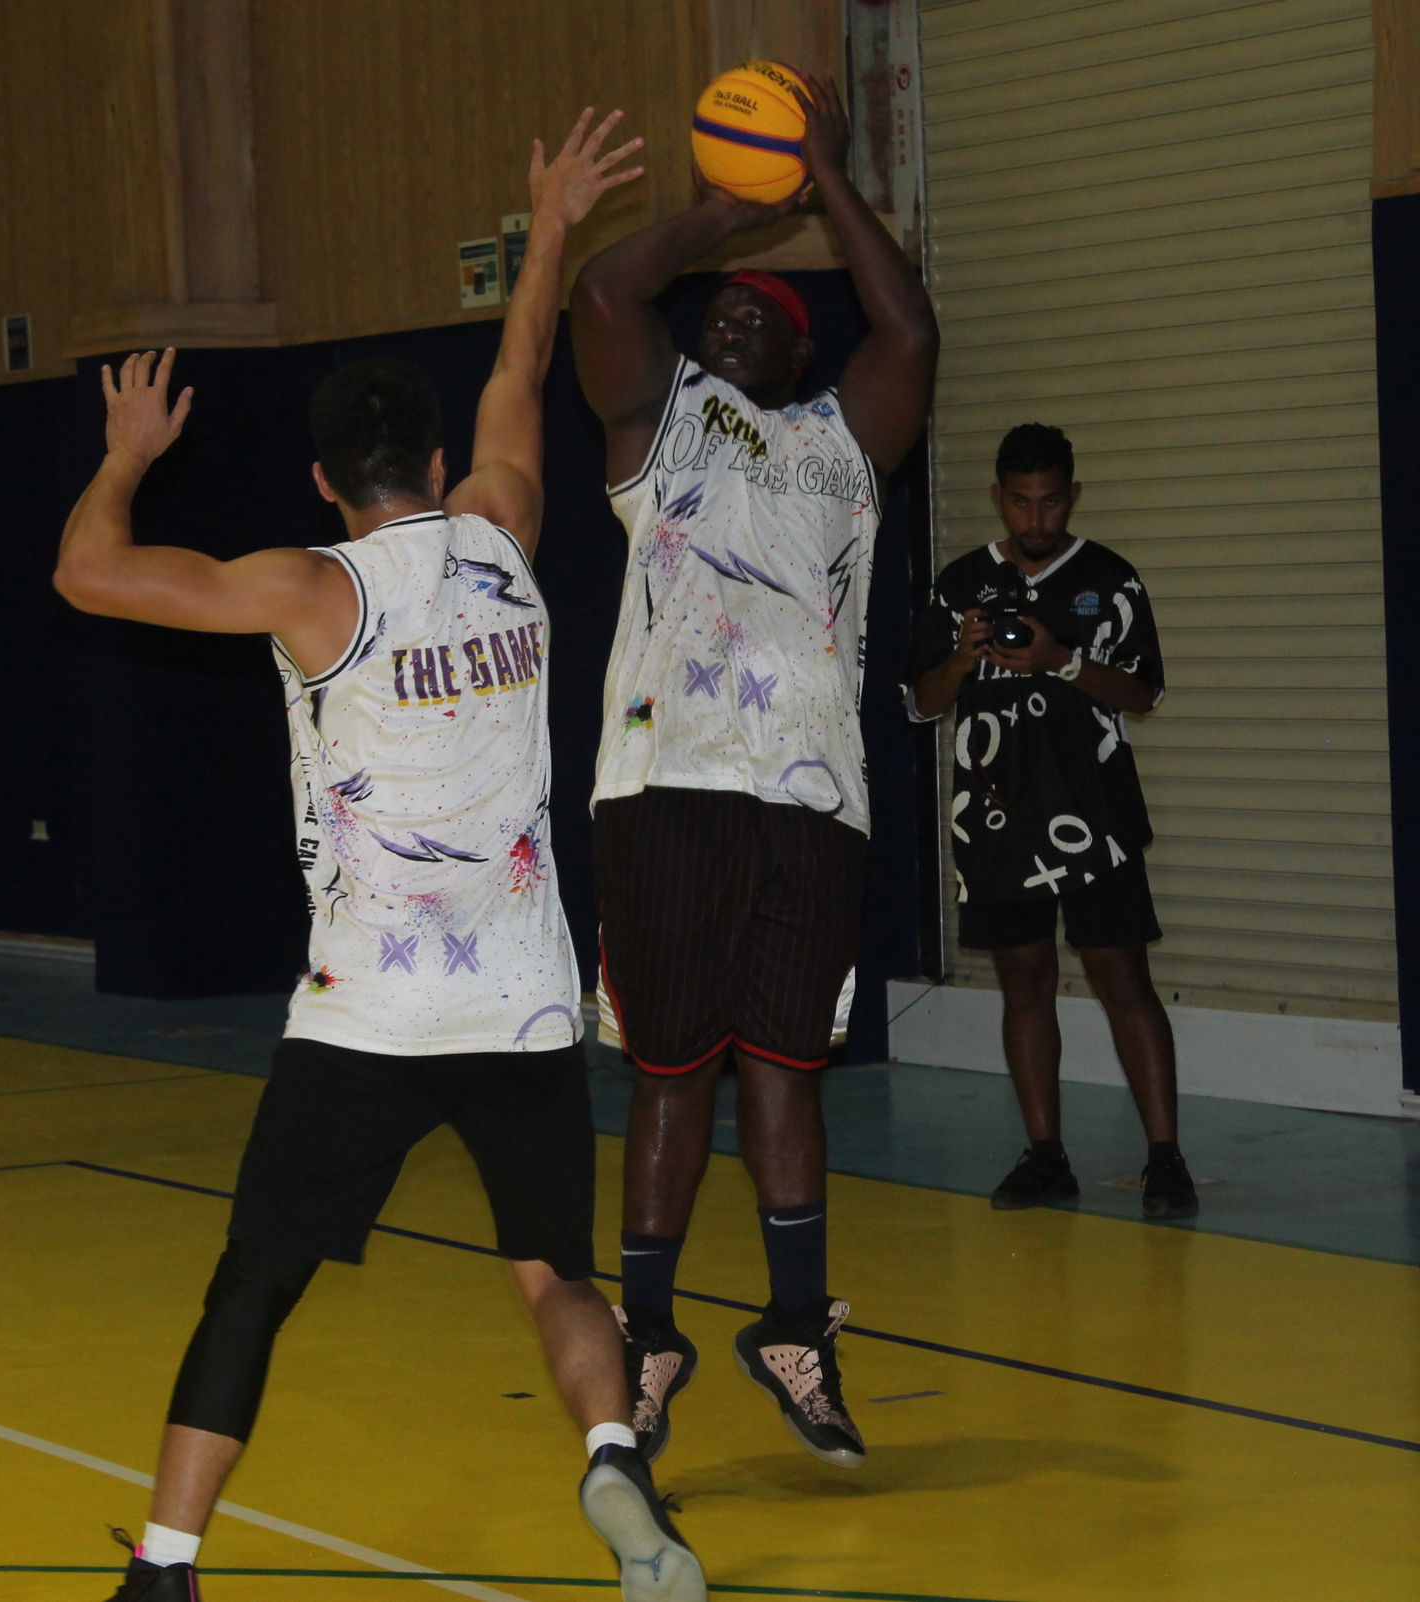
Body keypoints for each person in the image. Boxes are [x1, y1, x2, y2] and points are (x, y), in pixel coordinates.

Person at [56, 112, 708, 1602]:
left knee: (254, 1283)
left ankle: (165, 1567)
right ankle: (612, 1449)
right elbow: (521, 369)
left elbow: (88, 571)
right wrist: (544, 224)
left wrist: (126, 456)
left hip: (369, 1011)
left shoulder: (309, 589)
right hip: (525, 998)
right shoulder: (509, 530)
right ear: (427, 459)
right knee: (556, 1271)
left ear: (321, 480)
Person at [568, 67, 938, 1469]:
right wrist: (727, 207)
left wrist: (826, 178)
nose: (727, 319)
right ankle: (648, 1337)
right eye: (715, 314)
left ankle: (794, 1325)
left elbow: (908, 324)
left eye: (755, 318)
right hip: (663, 791)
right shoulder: (656, 430)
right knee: (673, 1071)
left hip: (813, 794)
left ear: (796, 356)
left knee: (786, 1066)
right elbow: (607, 296)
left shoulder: (848, 443)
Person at [905, 422, 1197, 1221]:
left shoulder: (1113, 579)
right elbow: (921, 703)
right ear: (999, 499)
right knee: (1024, 985)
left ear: (1073, 495)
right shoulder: (958, 584)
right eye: (1021, 503)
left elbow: (1145, 695)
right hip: (995, 821)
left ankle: (1165, 1159)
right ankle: (1045, 1156)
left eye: (1051, 502)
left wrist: (1059, 661)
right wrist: (963, 661)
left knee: (1122, 981)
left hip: (1094, 817)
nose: (1036, 520)